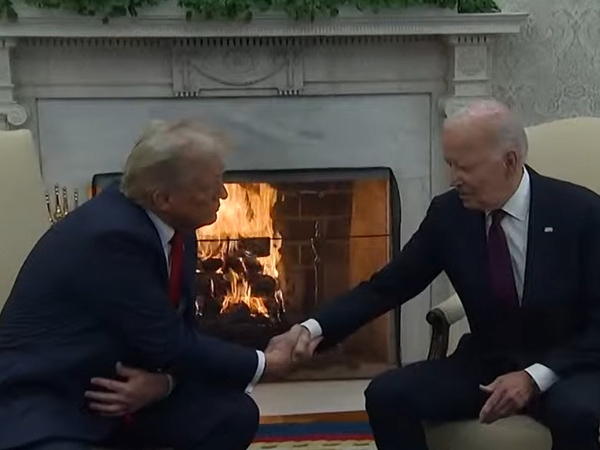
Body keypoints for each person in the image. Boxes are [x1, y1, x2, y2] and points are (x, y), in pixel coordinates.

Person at [290, 100, 600, 450]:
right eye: (450, 165)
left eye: (464, 167)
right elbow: (388, 286)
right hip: (487, 362)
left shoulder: (582, 212)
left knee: (577, 414)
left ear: (509, 161)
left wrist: (533, 377)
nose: (454, 179)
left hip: (566, 366)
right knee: (386, 395)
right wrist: (313, 329)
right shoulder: (449, 215)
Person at [0, 119, 309, 450]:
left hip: (125, 389)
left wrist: (165, 383)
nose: (223, 193)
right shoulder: (110, 237)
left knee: (233, 415)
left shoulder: (176, 227)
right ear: (164, 198)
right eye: (211, 186)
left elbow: (174, 334)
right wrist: (265, 363)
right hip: (56, 398)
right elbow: (169, 342)